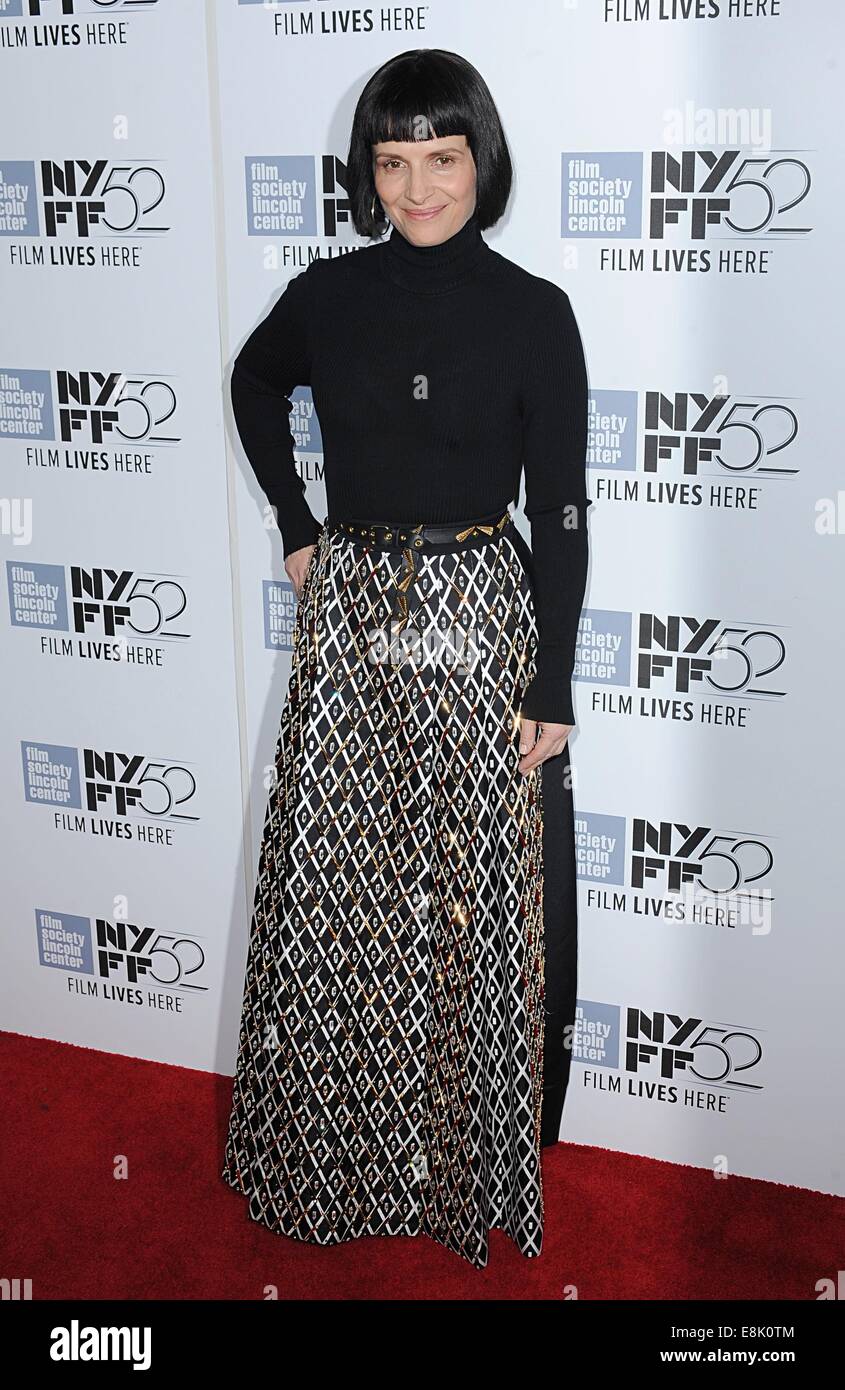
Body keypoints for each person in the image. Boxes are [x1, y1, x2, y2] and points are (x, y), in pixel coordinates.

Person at [221, 47, 592, 1270]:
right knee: (341, 897)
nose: (418, 186)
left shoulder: (535, 310)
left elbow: (567, 511)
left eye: (441, 156)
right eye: (392, 161)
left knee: (469, 908)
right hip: (352, 616)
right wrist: (294, 526)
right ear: (364, 172)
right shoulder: (327, 294)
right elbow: (253, 380)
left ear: (481, 159)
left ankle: (455, 1174)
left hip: (482, 615)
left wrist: (551, 683)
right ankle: (333, 1164)